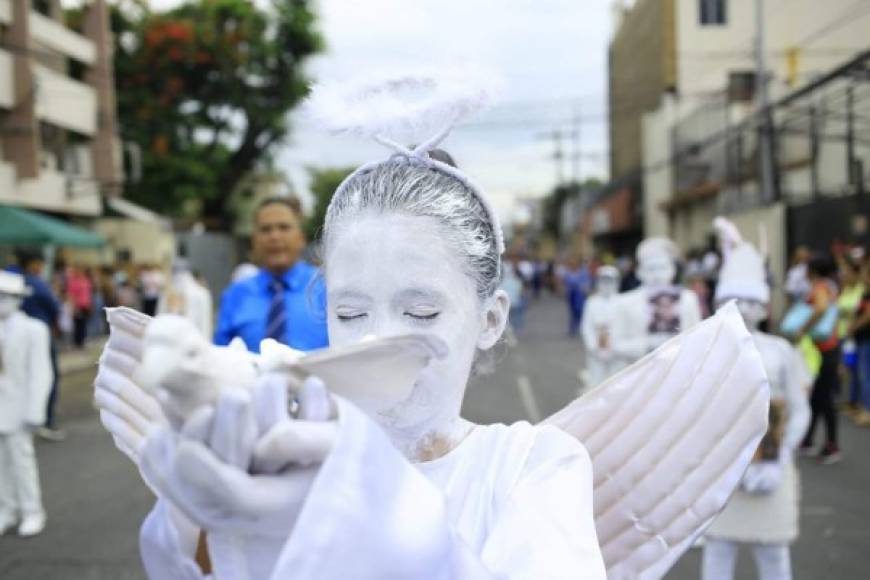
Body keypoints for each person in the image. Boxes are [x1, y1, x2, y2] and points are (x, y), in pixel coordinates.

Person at [93, 71, 770, 580]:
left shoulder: (533, 469)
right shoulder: (279, 453)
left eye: (421, 311)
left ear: (489, 317)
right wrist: (208, 527)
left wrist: (403, 540)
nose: (374, 341)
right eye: (349, 313)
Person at [702, 218, 811, 580]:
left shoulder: (781, 351)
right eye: (736, 299)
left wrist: (780, 459)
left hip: (771, 467)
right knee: (718, 550)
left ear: (765, 306)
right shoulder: (707, 352)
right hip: (723, 471)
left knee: (773, 553)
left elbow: (798, 410)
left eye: (753, 301)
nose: (745, 309)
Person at [213, 197, 329, 353]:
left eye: (284, 227)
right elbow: (221, 360)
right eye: (265, 229)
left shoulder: (327, 288)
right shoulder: (235, 294)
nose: (274, 236)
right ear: (254, 240)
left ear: (301, 238)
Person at [0, 271, 53, 537]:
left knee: (22, 461)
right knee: (0, 464)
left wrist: (36, 410)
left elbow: (41, 372)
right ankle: (6, 509)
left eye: (5, 297)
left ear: (18, 299)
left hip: (20, 407)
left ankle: (32, 511)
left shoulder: (34, 330)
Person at [610, 237, 703, 363]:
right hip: (641, 372)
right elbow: (615, 344)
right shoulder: (624, 302)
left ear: (673, 270)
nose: (657, 275)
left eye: (662, 268)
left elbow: (699, 337)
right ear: (639, 272)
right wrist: (648, 344)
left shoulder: (688, 299)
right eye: (651, 269)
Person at [8, 250, 64, 441]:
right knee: (44, 374)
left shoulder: (8, 277)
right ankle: (45, 420)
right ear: (32, 263)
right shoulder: (37, 284)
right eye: (39, 263)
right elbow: (54, 307)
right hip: (38, 335)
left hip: (9, 339)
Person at [798, 255, 841, 464]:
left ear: (813, 271)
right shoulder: (830, 286)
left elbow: (821, 308)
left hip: (823, 350)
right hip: (827, 348)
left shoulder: (820, 287)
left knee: (824, 398)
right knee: (818, 397)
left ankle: (832, 445)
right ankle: (808, 440)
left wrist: (803, 327)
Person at [580, 265, 627, 389]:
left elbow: (627, 328)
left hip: (617, 352)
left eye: (610, 281)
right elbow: (586, 327)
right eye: (603, 281)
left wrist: (617, 348)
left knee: (617, 385)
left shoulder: (624, 302)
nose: (606, 285)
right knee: (596, 386)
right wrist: (594, 347)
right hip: (596, 353)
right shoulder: (592, 302)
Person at [835, 255, 865, 418]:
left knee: (857, 369)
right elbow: (838, 305)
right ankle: (853, 401)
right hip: (842, 332)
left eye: (849, 273)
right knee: (850, 368)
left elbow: (856, 309)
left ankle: (859, 403)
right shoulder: (846, 289)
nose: (846, 276)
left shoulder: (861, 289)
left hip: (853, 334)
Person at [158, 259, 214, 339]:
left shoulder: (202, 293)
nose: (179, 278)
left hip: (194, 340)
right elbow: (160, 319)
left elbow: (205, 323)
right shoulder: (166, 294)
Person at [848, 261, 870, 426]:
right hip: (861, 339)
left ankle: (867, 411)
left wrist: (853, 326)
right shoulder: (864, 293)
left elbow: (867, 315)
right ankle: (863, 407)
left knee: (865, 376)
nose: (863, 276)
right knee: (861, 374)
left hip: (866, 339)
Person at [560, 256, 592, 337]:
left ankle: (582, 327)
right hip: (571, 295)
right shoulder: (568, 273)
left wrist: (586, 290)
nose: (573, 265)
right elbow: (565, 282)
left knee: (580, 311)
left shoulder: (583, 272)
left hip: (580, 294)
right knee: (573, 312)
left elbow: (587, 283)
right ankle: (573, 328)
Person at [65, 265, 93, 349]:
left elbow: (88, 293)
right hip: (77, 305)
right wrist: (74, 306)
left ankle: (82, 340)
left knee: (83, 323)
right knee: (78, 324)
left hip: (86, 305)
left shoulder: (86, 280)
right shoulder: (72, 281)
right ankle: (77, 342)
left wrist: (90, 304)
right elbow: (70, 295)